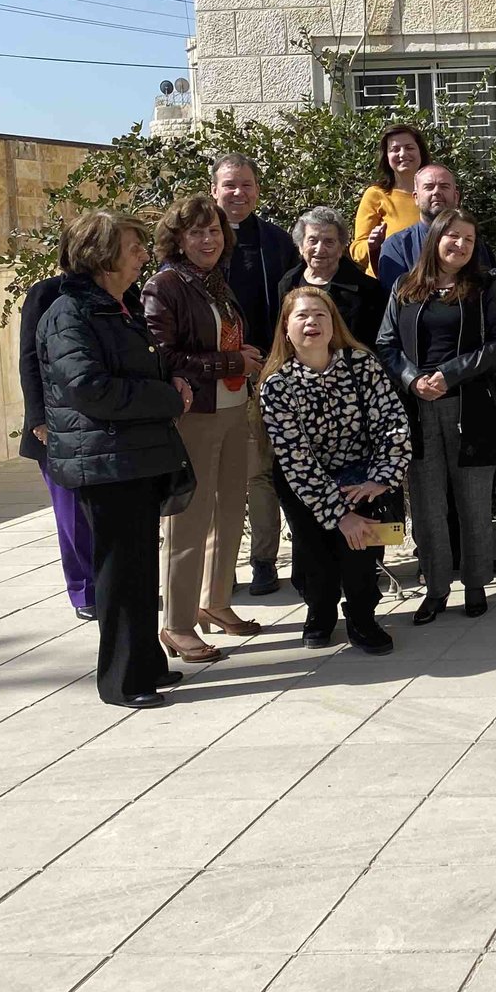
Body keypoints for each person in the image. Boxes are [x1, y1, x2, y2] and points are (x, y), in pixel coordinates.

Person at [37, 211, 195, 708]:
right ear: (102, 255)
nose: (143, 256)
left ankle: (146, 663)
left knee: (138, 569)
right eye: (133, 248)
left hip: (131, 458)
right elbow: (89, 388)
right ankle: (123, 682)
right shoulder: (69, 313)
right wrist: (168, 398)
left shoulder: (113, 306)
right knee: (120, 574)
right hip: (106, 462)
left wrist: (168, 382)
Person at [377, 206, 496, 623]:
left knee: (474, 501)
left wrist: (448, 375)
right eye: (453, 236)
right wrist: (411, 379)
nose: (460, 245)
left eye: (469, 240)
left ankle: (476, 585)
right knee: (426, 504)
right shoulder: (406, 287)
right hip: (418, 409)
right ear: (435, 238)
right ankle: (436, 588)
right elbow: (386, 343)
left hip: (470, 405)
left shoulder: (484, 287)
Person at [259, 288, 409, 654]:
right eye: (302, 316)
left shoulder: (362, 364)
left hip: (363, 477)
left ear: (333, 323)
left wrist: (380, 479)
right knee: (317, 560)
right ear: (286, 327)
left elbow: (393, 423)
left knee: (360, 551)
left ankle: (362, 617)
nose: (312, 323)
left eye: (320, 315)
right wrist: (339, 515)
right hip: (305, 482)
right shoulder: (277, 385)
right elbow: (296, 459)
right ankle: (320, 613)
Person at [145, 194, 261, 662]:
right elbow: (162, 355)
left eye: (214, 230)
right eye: (196, 232)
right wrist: (231, 360)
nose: (208, 238)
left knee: (231, 511)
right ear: (177, 239)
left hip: (234, 410)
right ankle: (176, 623)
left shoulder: (216, 283)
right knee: (189, 521)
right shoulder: (165, 285)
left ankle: (215, 603)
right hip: (195, 415)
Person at [212, 153, 298, 597]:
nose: (238, 193)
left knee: (264, 472)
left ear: (257, 189)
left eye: (246, 185)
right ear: (214, 190)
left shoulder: (276, 241)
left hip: (272, 370)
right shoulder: (202, 241)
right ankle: (219, 568)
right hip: (216, 377)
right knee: (229, 477)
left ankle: (264, 560)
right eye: (230, 185)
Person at [18, 229, 109, 620]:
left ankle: (111, 585)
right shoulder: (45, 294)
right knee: (71, 515)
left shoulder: (121, 294)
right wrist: (38, 418)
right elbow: (29, 360)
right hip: (54, 426)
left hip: (105, 425)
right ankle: (84, 591)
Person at [279, 206, 386, 349]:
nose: (319, 249)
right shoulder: (288, 283)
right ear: (300, 246)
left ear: (341, 248)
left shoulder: (366, 289)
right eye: (312, 240)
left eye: (329, 242)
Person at [375, 164, 494, 289]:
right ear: (416, 197)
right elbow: (394, 299)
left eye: (444, 186)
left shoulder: (473, 244)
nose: (436, 192)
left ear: (456, 197)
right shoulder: (398, 245)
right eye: (429, 187)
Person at [351, 123, 427, 274]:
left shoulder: (436, 193)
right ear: (386, 156)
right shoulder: (376, 195)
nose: (403, 154)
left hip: (428, 282)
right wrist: (374, 245)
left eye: (409, 147)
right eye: (395, 149)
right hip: (386, 285)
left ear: (421, 152)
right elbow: (357, 250)